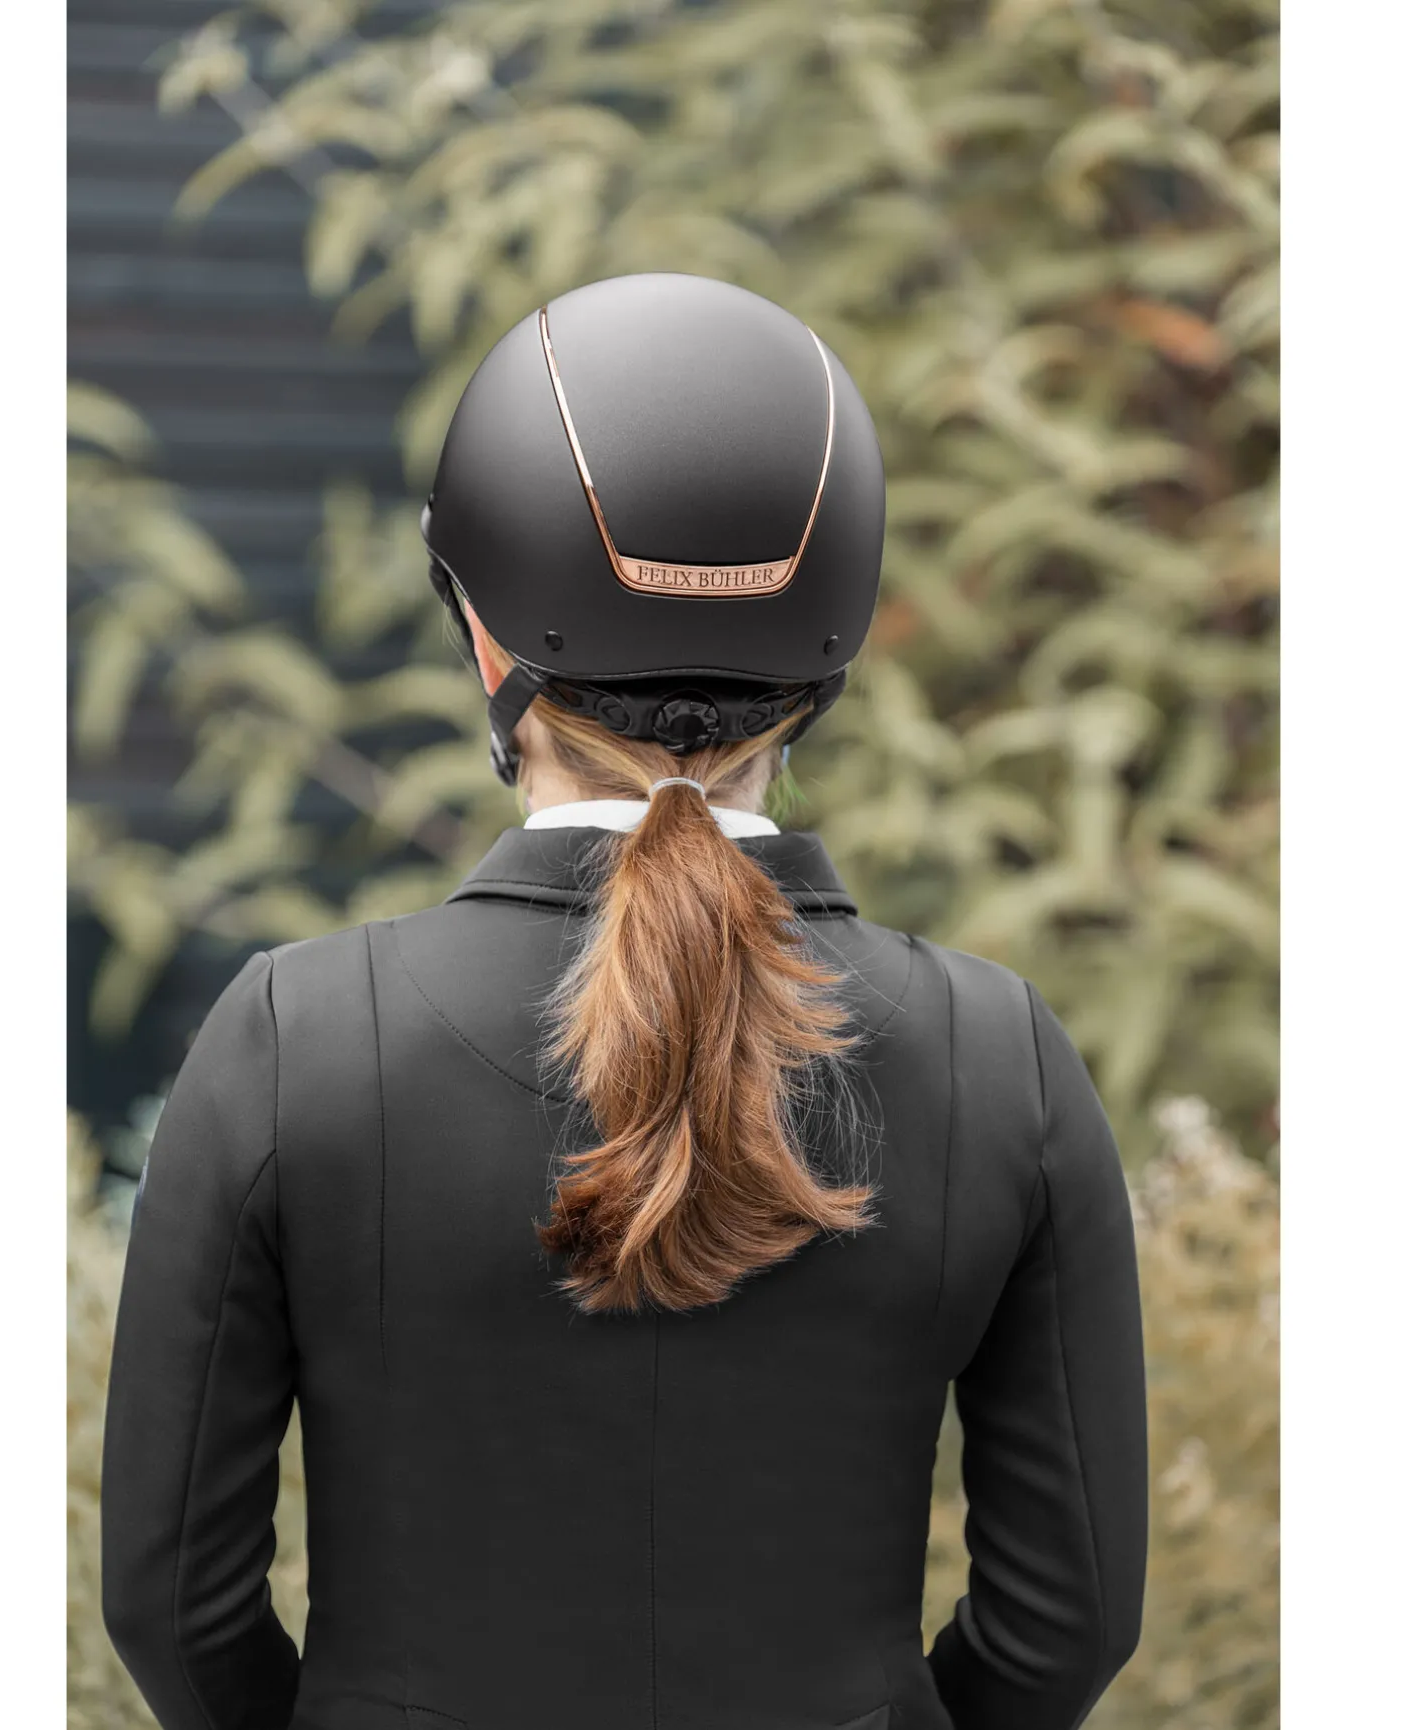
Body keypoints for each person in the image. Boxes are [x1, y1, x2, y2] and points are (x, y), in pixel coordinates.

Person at [100, 273, 1147, 1730]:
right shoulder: (998, 1056)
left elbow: (173, 1604)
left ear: (482, 636)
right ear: (829, 661)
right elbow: (1067, 1620)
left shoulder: (294, 1040)